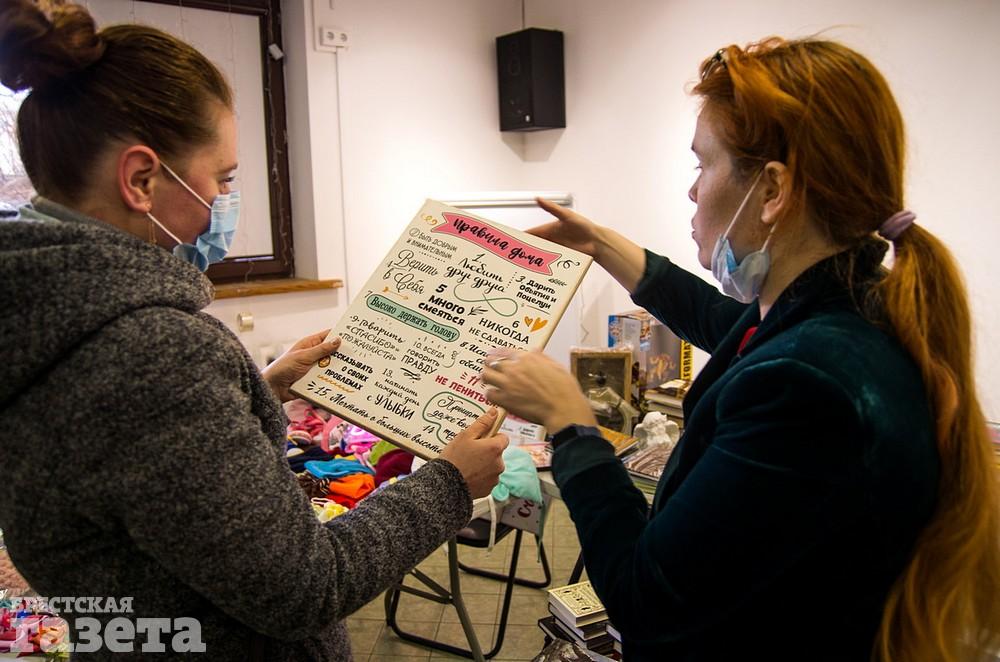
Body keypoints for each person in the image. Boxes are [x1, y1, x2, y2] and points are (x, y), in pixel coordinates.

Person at [0, 1, 507, 659]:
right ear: (142, 179)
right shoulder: (153, 354)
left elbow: (139, 470)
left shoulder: (40, 313)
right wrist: (449, 483)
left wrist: (257, 389)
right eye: (223, 178)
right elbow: (304, 587)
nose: (224, 200)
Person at [482, 37, 1000, 661]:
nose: (693, 192)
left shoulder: (806, 381)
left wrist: (572, 425)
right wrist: (602, 245)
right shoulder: (850, 309)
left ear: (773, 189)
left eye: (703, 165)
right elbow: (725, 323)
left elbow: (645, 600)